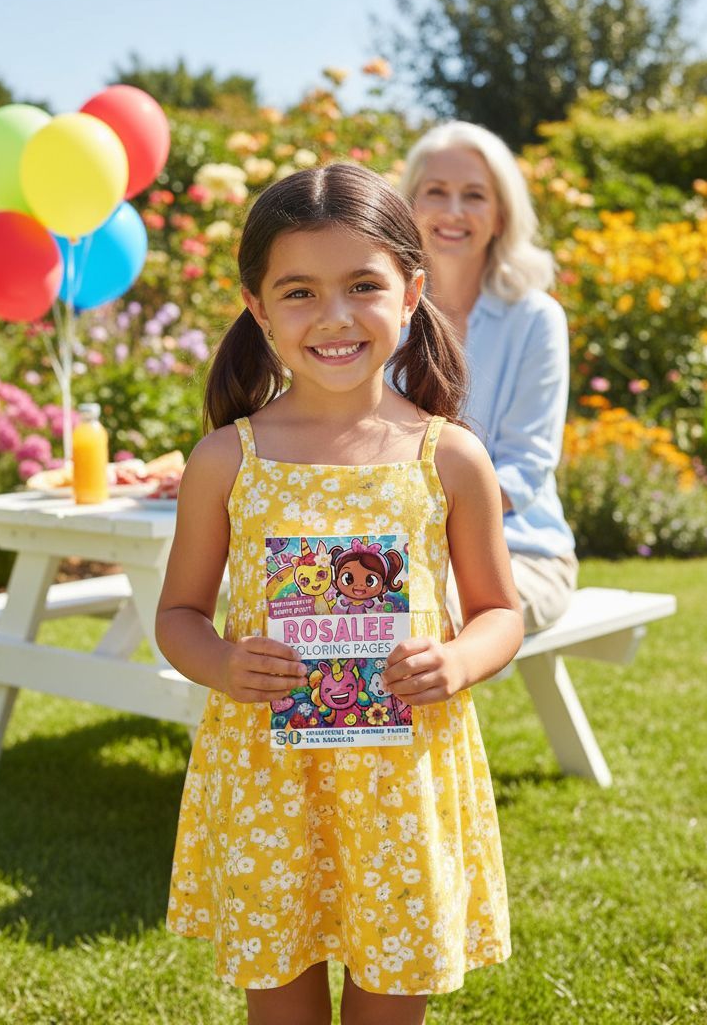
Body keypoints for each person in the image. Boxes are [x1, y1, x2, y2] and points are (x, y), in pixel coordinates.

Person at [156, 163, 523, 1025]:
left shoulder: (449, 457)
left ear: (411, 293)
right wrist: (222, 663)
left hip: (402, 784)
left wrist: (458, 661)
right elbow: (177, 616)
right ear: (257, 308)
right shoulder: (227, 460)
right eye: (300, 292)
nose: (334, 316)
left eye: (363, 285)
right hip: (270, 784)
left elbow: (501, 613)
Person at [399, 121, 578, 635]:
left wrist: (426, 526)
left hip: (520, 553)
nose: (453, 211)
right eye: (436, 191)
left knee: (415, 617)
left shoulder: (536, 319)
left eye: (474, 195)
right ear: (409, 205)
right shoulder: (382, 312)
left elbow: (526, 468)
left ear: (501, 214)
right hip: (397, 548)